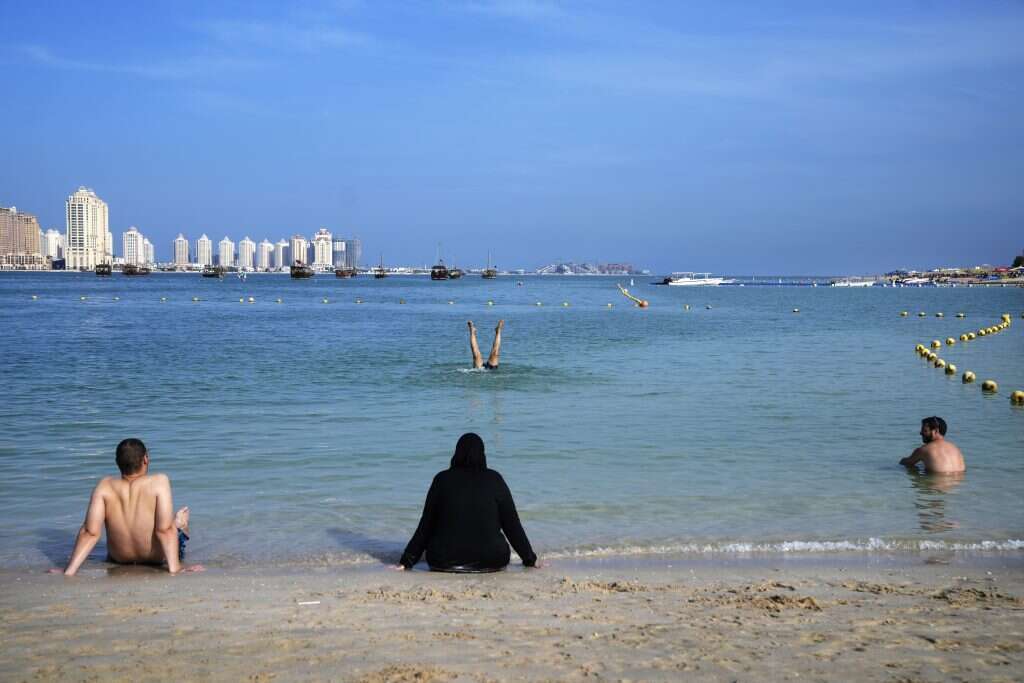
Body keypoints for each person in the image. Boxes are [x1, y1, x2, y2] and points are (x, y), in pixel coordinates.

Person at [59, 438, 201, 576]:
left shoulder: (104, 486)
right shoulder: (159, 481)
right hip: (155, 560)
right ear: (145, 459)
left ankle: (176, 524)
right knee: (175, 530)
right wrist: (175, 569)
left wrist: (69, 571)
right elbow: (163, 530)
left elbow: (90, 533)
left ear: (117, 462)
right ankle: (180, 524)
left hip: (119, 560)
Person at [398, 433, 538, 572]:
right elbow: (512, 525)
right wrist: (529, 560)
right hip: (492, 560)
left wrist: (407, 561)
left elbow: (426, 525)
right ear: (482, 454)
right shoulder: (494, 479)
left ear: (457, 453)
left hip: (443, 561)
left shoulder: (442, 479)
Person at [899, 416, 966, 474]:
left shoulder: (925, 449)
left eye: (924, 430)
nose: (920, 433)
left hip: (935, 486)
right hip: (957, 486)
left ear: (936, 431)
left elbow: (905, 463)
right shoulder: (955, 448)